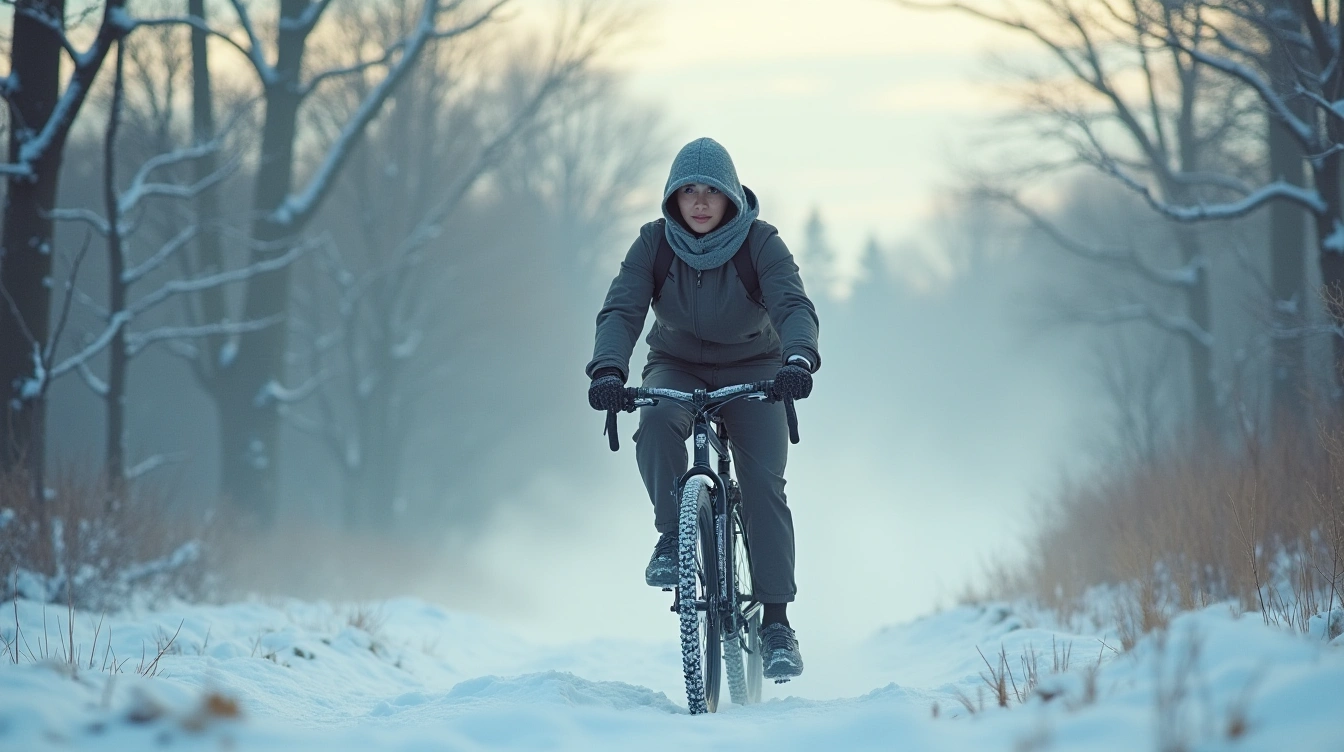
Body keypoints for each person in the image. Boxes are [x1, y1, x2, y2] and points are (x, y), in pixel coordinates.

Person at [585, 137, 820, 681]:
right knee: (657, 420)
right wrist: (608, 371)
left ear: (730, 197)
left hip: (757, 368)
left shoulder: (760, 244)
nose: (698, 201)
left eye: (710, 190)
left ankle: (777, 624)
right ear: (671, 197)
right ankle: (674, 534)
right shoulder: (654, 244)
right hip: (676, 365)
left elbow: (791, 303)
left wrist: (799, 358)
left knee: (763, 485)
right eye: (687, 190)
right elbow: (621, 309)